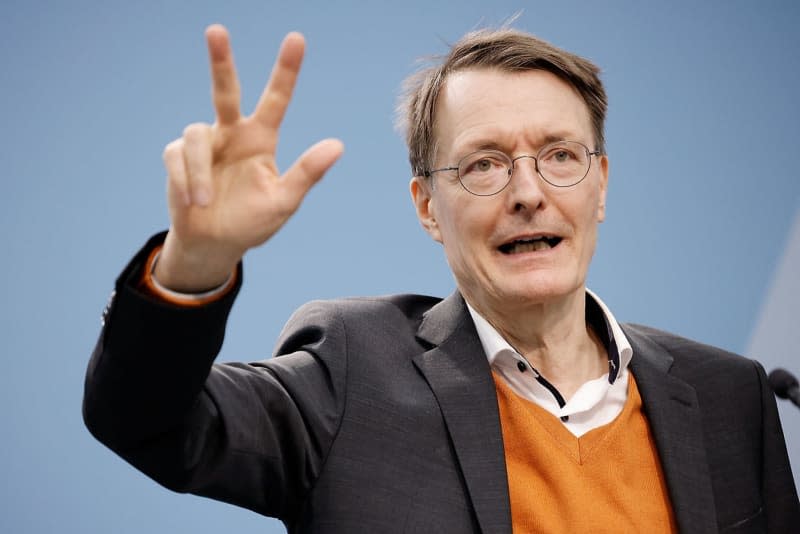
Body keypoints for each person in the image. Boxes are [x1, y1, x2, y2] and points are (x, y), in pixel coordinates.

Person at [83, 24, 799, 533]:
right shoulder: (351, 372)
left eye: (559, 156)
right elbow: (146, 420)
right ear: (428, 207)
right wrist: (196, 264)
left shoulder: (730, 397)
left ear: (600, 184)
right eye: (483, 164)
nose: (527, 192)